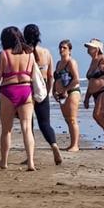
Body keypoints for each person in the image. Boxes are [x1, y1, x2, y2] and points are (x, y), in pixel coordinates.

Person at [0, 27, 36, 171]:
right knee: (27, 128)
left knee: (6, 129)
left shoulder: (4, 54)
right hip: (26, 89)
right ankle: (30, 162)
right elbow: (33, 74)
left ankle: (4, 161)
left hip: (9, 90)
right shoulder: (30, 54)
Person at [24, 24, 63, 165]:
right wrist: (49, 90)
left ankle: (30, 157)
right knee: (45, 123)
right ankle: (54, 145)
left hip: (28, 88)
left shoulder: (24, 52)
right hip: (42, 89)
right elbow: (51, 75)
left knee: (28, 123)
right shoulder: (46, 52)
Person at [83, 39, 104, 149]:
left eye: (90, 47)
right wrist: (87, 98)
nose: (88, 49)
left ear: (97, 49)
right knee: (103, 116)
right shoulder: (93, 61)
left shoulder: (103, 59)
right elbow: (91, 82)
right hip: (95, 93)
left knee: (97, 114)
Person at [53, 39, 81, 152]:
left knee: (72, 119)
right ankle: (71, 143)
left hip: (72, 92)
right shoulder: (59, 63)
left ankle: (75, 145)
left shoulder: (71, 62)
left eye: (64, 48)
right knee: (67, 119)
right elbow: (56, 79)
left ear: (69, 50)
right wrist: (53, 91)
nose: (61, 50)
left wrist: (65, 90)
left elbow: (76, 79)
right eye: (60, 47)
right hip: (61, 94)